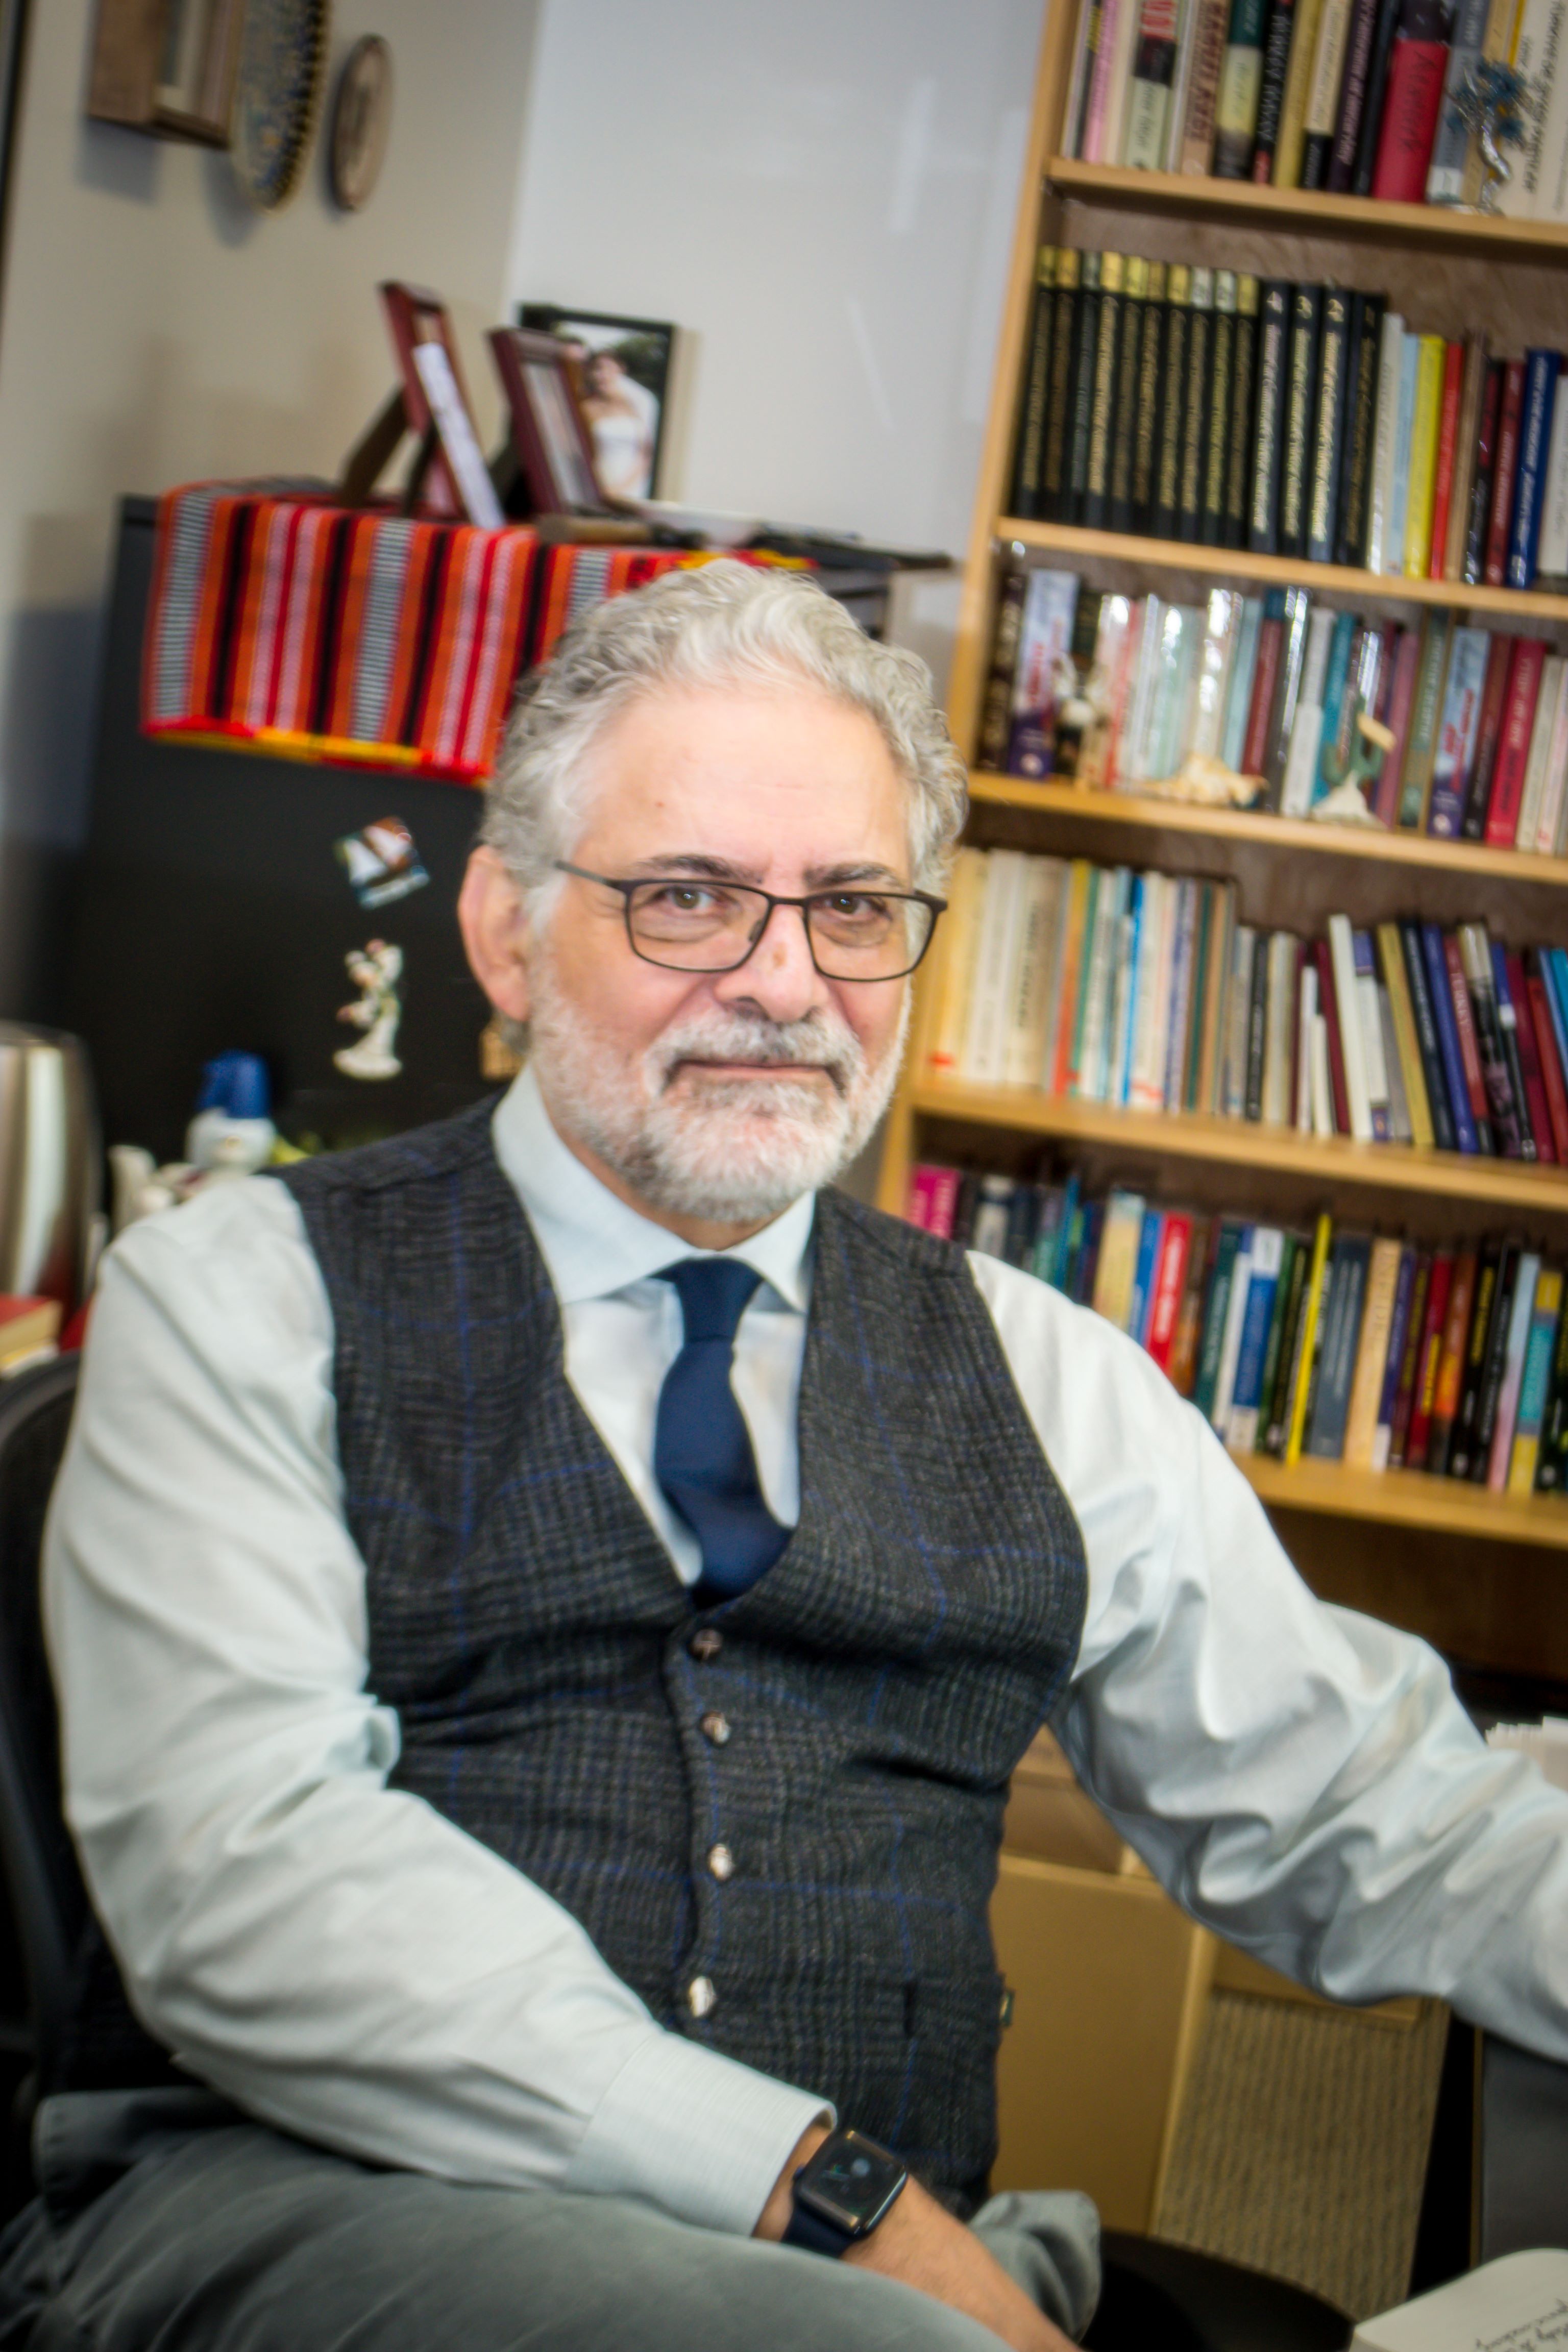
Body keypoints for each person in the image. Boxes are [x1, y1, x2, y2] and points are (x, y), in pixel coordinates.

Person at [6, 561, 1566, 2352]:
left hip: (901, 2279)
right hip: (288, 2222)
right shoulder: (239, 1295)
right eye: (687, 899)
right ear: (506, 928)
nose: (782, 984)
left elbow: (1372, 1813)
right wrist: (834, 2197)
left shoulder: (1050, 1375)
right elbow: (245, 1869)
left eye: (850, 907)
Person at [579, 344, 659, 498]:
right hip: (600, 481)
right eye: (597, 369)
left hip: (633, 484)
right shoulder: (587, 407)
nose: (602, 375)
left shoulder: (638, 405)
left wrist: (624, 486)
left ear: (620, 370)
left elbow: (645, 453)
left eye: (608, 369)